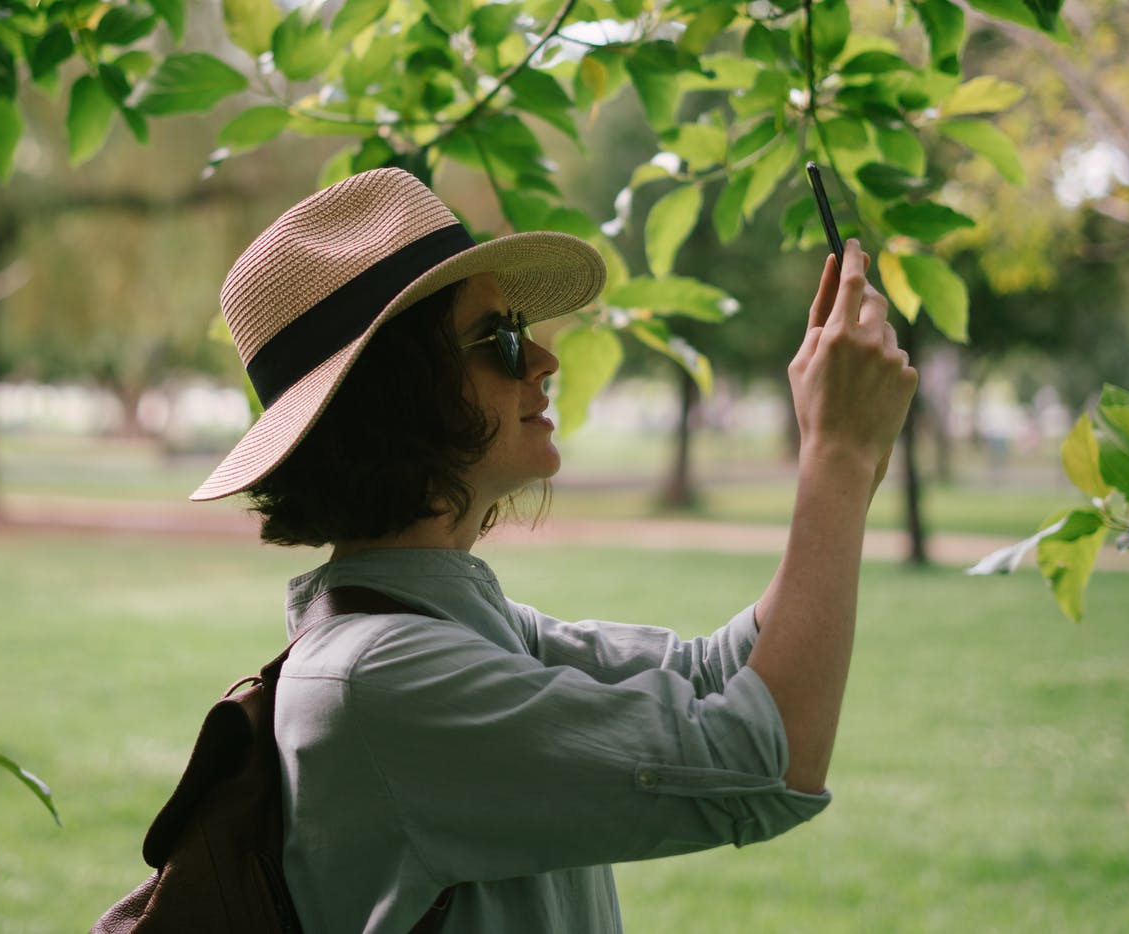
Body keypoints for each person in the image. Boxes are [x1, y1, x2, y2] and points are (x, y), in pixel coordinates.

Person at [190, 167, 917, 933]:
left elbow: (717, 674)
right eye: (499, 338)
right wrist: (835, 454)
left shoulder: (454, 628)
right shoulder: (381, 679)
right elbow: (762, 759)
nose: (543, 360)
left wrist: (851, 455)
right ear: (398, 390)